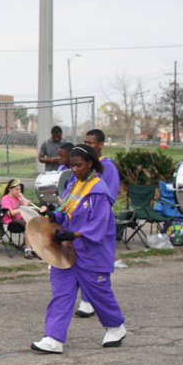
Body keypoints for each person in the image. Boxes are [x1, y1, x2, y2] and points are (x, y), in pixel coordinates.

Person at [31, 144, 126, 354]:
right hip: (67, 251)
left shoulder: (99, 190)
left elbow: (98, 225)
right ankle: (53, 338)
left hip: (91, 252)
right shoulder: (74, 183)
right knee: (61, 293)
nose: (73, 169)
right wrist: (57, 216)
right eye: (71, 165)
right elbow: (67, 209)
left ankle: (116, 328)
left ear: (90, 164)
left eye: (78, 165)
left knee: (99, 293)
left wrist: (72, 234)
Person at [73, 129, 120, 317]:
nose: (87, 145)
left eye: (91, 143)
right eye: (85, 141)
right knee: (82, 263)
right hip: (80, 223)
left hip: (98, 222)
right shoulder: (81, 168)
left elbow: (109, 196)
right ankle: (87, 299)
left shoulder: (107, 168)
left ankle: (95, 304)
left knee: (96, 263)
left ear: (100, 145)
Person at [0, 179, 37, 259]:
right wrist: (22, 207)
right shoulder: (5, 199)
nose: (19, 191)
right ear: (10, 189)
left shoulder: (19, 199)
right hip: (11, 222)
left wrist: (24, 202)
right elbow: (10, 213)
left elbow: (28, 212)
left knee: (35, 222)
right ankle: (28, 250)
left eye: (20, 189)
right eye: (16, 189)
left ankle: (33, 247)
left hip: (21, 220)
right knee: (29, 224)